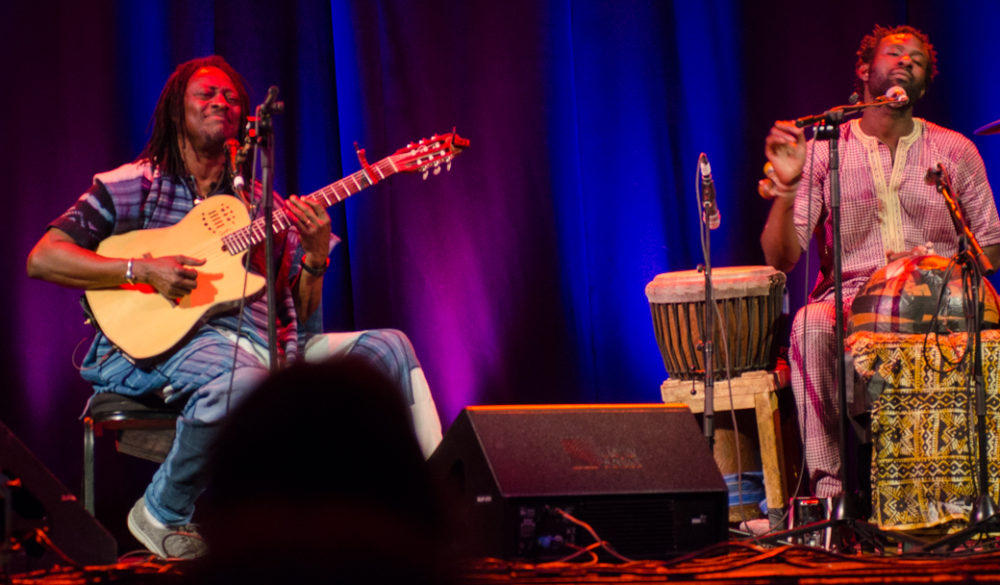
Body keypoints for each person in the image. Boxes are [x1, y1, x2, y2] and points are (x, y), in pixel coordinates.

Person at [25, 55, 442, 559]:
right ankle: (162, 510)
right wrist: (140, 269)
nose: (221, 101)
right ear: (177, 109)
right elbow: (44, 258)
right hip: (169, 346)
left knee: (390, 347)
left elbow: (301, 321)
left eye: (232, 98)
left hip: (268, 348)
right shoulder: (133, 183)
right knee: (242, 379)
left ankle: (437, 507)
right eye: (207, 94)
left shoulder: (262, 205)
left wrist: (313, 258)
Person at [760, 25, 1000, 499]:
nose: (907, 62)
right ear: (866, 70)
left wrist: (939, 269)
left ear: (924, 85)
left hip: (936, 301)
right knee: (809, 325)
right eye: (895, 53)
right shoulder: (827, 150)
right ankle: (829, 497)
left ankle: (980, 489)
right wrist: (787, 188)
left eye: (917, 60)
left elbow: (990, 249)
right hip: (852, 301)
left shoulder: (955, 151)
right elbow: (780, 257)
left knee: (987, 314)